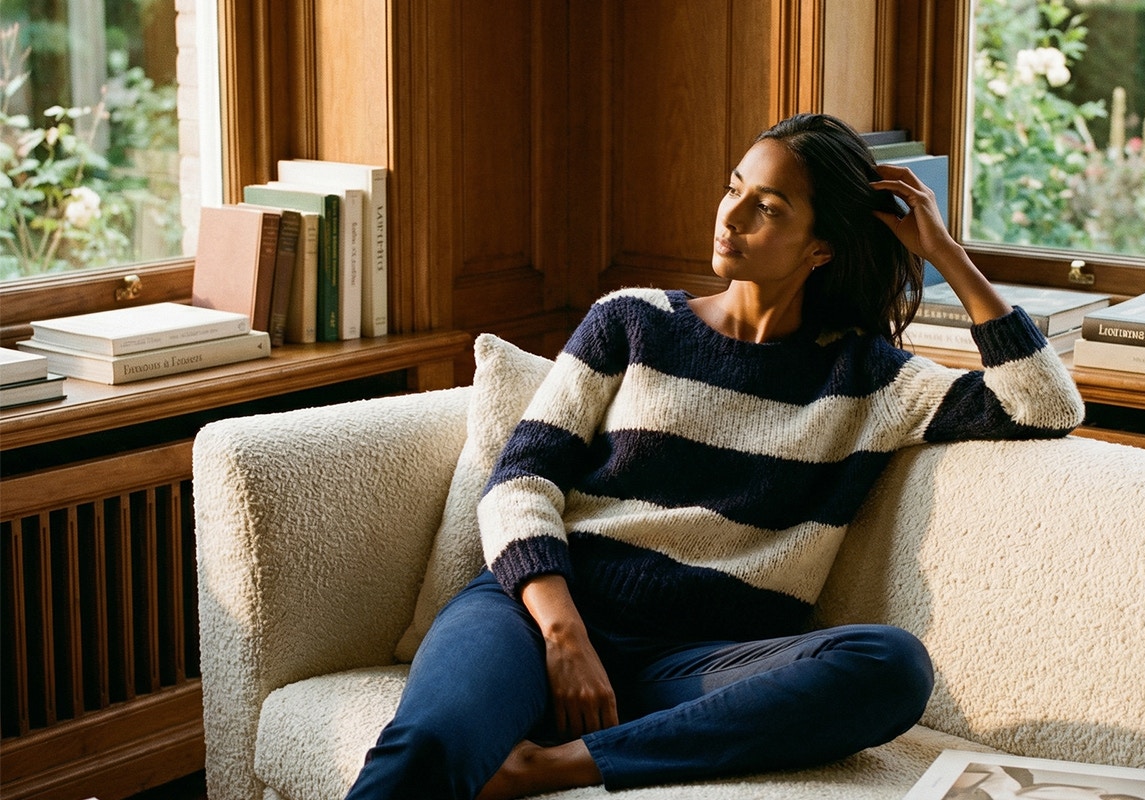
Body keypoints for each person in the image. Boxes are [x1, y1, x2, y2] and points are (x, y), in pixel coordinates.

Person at [344, 113, 1085, 800]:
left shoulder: (871, 380)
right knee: (428, 746)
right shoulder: (630, 323)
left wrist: (945, 254)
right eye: (735, 188)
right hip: (538, 618)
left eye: (768, 207)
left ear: (821, 247)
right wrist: (564, 634)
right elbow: (521, 480)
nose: (730, 217)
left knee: (890, 666)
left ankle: (552, 765)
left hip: (698, 667)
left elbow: (1047, 406)